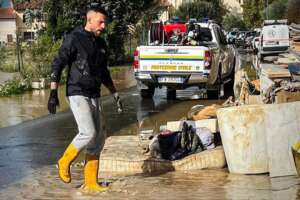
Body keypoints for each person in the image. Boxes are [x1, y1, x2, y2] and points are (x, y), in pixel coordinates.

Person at [47, 6, 123, 192]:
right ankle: (64, 162)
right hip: (77, 91)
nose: (104, 26)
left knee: (98, 139)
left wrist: (114, 93)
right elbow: (58, 63)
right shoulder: (74, 38)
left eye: (105, 22)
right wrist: (53, 93)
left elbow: (104, 72)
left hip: (94, 94)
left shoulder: (101, 44)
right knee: (88, 132)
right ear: (89, 20)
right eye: (101, 22)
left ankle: (91, 183)